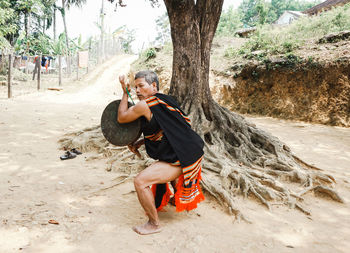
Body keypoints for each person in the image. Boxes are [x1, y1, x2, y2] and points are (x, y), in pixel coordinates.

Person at [118, 70, 205, 235]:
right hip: (190, 151)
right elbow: (167, 131)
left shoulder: (145, 105)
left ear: (153, 86)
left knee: (140, 182)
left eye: (141, 86)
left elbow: (122, 117)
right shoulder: (164, 100)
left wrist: (124, 92)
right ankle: (174, 198)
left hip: (181, 158)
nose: (137, 91)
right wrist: (140, 142)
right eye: (135, 87)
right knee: (156, 172)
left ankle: (154, 224)